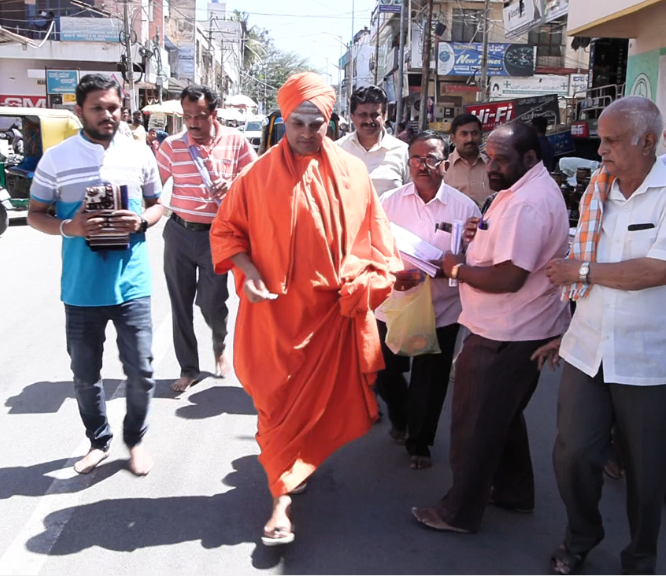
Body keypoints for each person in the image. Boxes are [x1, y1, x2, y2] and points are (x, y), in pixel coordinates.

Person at [210, 72, 402, 546]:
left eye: (316, 123)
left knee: (316, 415)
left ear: (329, 122)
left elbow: (381, 248)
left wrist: (367, 281)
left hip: (331, 323)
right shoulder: (254, 177)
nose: (306, 132)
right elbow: (227, 232)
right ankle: (281, 497)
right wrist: (247, 271)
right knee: (275, 411)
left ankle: (287, 488)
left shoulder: (354, 175)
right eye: (297, 122)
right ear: (283, 119)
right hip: (273, 323)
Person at [411, 121, 570, 534]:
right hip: (512, 328)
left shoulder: (527, 201)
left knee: (474, 424)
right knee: (503, 416)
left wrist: (457, 267)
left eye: (501, 160)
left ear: (530, 159)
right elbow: (503, 246)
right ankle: (515, 492)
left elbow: (509, 277)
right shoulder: (520, 190)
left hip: (507, 332)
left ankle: (458, 512)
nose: (492, 166)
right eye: (491, 157)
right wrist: (478, 236)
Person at [533, 97, 666, 576]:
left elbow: (655, 270)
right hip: (586, 349)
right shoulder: (598, 189)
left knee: (648, 472)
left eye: (611, 141)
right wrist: (563, 330)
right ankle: (581, 535)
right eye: (602, 140)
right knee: (573, 454)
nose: (601, 149)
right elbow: (589, 281)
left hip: (648, 359)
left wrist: (582, 270)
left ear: (647, 142)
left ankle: (641, 557)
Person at [27, 74, 164, 476]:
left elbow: (158, 206)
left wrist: (140, 220)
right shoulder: (58, 158)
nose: (108, 115)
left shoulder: (140, 153)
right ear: (79, 111)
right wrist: (72, 227)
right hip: (82, 290)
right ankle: (98, 441)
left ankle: (136, 440)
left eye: (114, 107)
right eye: (98, 108)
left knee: (142, 370)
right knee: (86, 376)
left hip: (132, 286)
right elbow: (36, 215)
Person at [377, 131, 481, 469]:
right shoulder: (389, 202)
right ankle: (401, 413)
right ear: (408, 163)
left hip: (442, 307)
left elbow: (476, 258)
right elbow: (371, 248)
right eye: (417, 159)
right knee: (384, 372)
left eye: (432, 158)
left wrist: (453, 267)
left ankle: (419, 441)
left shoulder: (464, 208)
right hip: (393, 303)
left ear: (445, 161)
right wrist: (393, 273)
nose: (424, 166)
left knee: (431, 379)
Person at [156, 85, 257, 392]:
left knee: (213, 304)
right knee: (181, 304)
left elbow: (254, 175)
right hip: (179, 234)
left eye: (199, 116)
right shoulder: (172, 146)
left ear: (214, 114)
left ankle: (219, 343)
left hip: (218, 236)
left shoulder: (235, 140)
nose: (193, 123)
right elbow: (151, 187)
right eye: (187, 116)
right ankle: (189, 368)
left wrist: (234, 183)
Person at [337, 85, 409, 197]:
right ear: (352, 117)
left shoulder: (403, 151)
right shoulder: (337, 150)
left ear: (384, 116)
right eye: (362, 115)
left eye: (375, 115)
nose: (369, 120)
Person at [444, 113, 489, 208]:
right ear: (453, 138)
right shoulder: (443, 168)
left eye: (474, 133)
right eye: (464, 134)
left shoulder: (492, 166)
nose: (470, 139)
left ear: (481, 136)